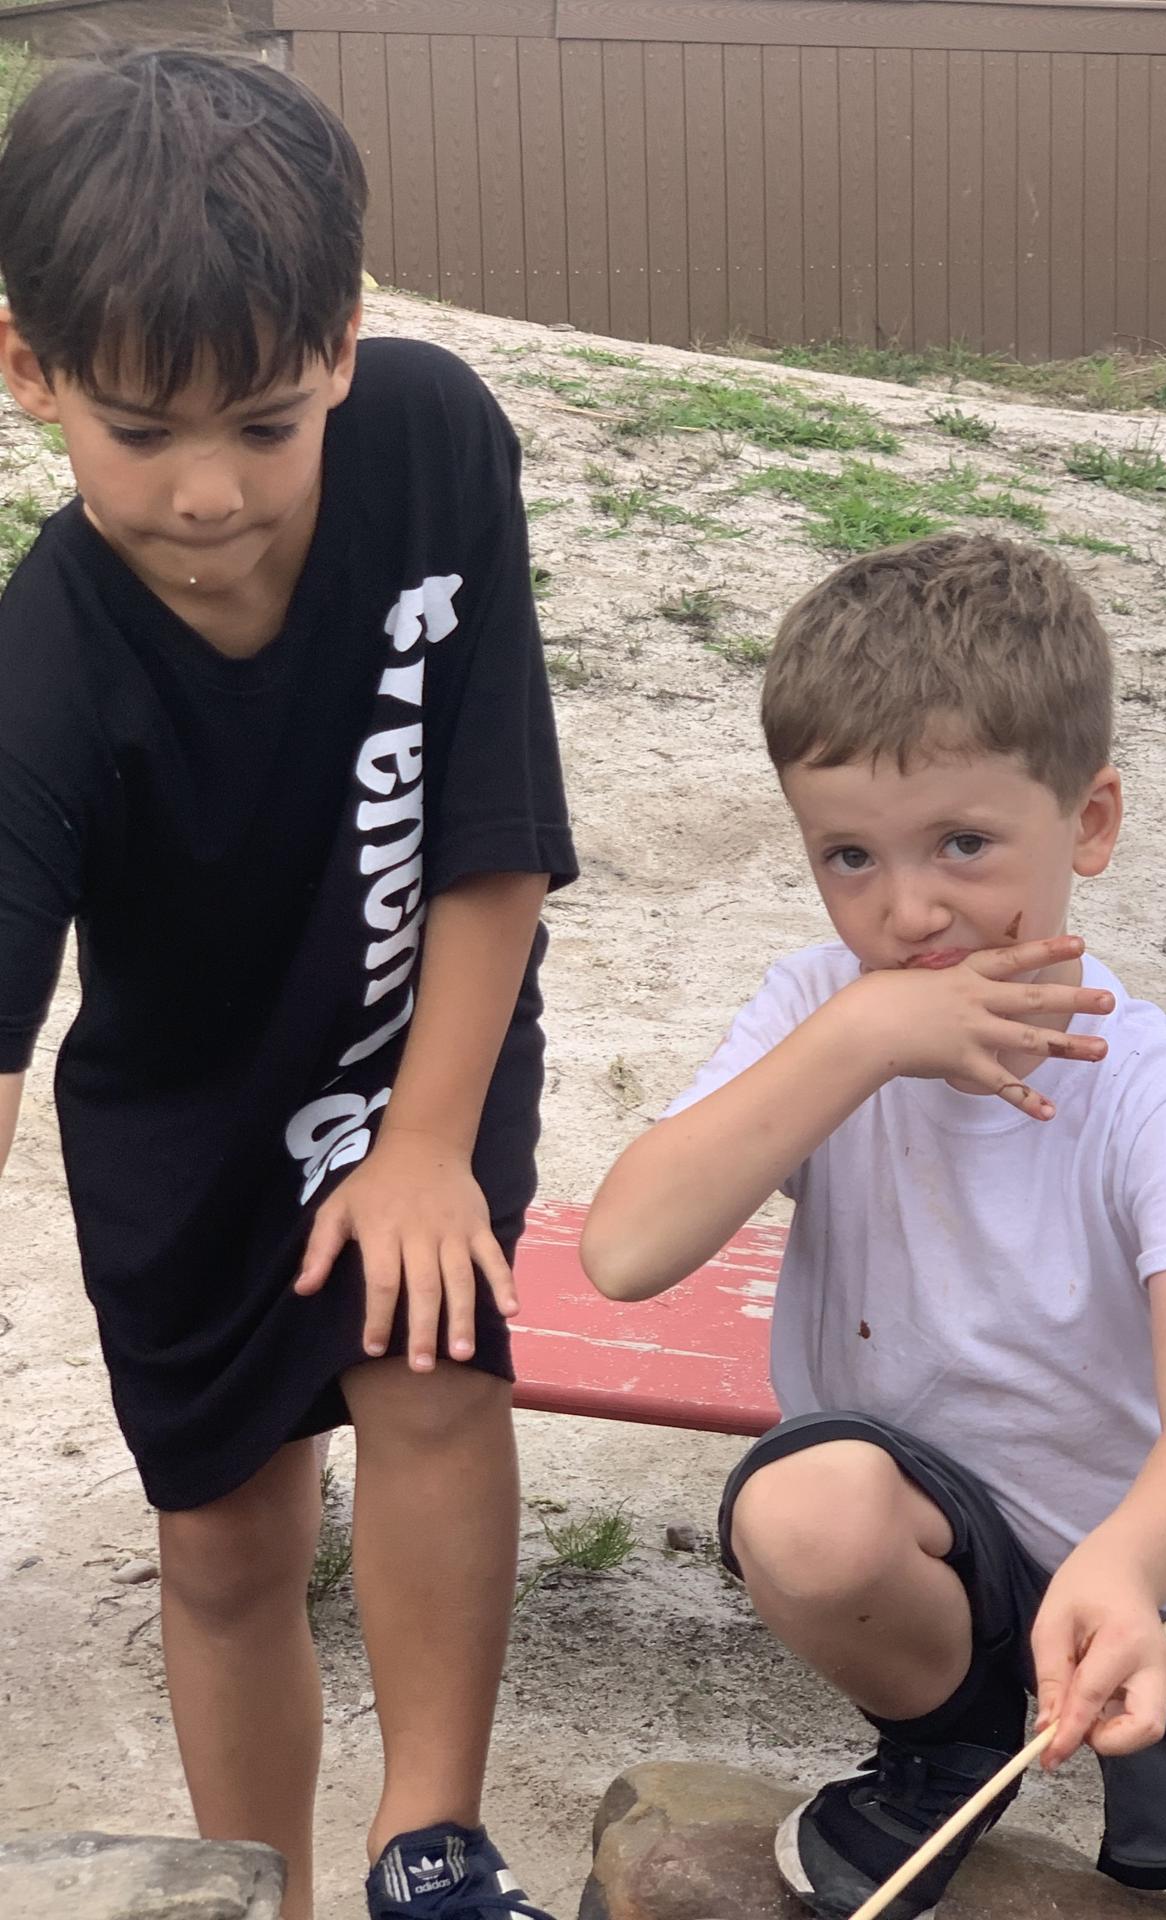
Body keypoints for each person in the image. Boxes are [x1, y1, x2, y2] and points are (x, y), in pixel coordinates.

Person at [581, 534, 1166, 1920]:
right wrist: (863, 1037)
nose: (909, 909)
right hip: (939, 1551)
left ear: (1089, 824)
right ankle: (946, 1746)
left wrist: (1128, 1563)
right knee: (802, 1508)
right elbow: (626, 1252)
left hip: (1161, 1587)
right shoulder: (818, 1013)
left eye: (964, 845)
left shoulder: (1151, 1092)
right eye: (848, 856)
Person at [0, 47, 576, 1920]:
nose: (205, 494)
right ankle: (266, 1893)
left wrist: (424, 1146)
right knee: (228, 1544)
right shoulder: (40, 669)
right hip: (182, 1116)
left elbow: (494, 830)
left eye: (262, 423)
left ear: (340, 346)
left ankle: (433, 1849)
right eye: (139, 430)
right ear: (28, 370)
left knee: (427, 1364)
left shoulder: (432, 442)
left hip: (424, 1023)